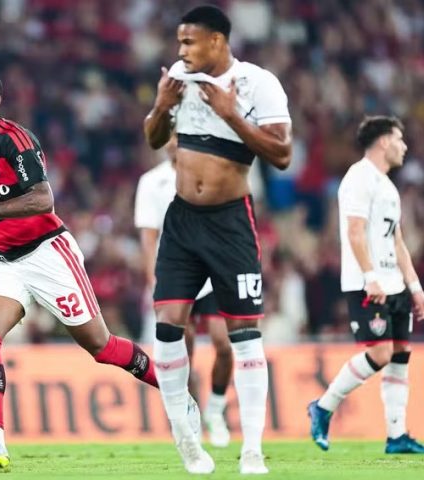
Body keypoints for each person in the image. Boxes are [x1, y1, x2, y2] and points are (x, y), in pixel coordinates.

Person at [0, 70, 192, 470]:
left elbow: (43, 199)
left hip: (49, 252)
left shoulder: (15, 139)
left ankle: (175, 390)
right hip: (7, 258)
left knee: (101, 346)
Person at [144, 5, 293, 474]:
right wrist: (161, 106)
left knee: (244, 334)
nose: (181, 51)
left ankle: (252, 448)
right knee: (167, 326)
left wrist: (231, 115)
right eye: (179, 42)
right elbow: (153, 140)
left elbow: (282, 154)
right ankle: (185, 438)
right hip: (182, 220)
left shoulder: (258, 83)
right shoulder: (179, 81)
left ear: (216, 41)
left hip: (230, 222)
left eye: (188, 42)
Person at [308, 116, 424, 455]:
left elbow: (397, 241)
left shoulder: (388, 186)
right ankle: (323, 406)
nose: (404, 146)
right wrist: (370, 277)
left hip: (394, 284)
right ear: (383, 141)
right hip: (369, 283)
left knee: (399, 356)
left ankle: (397, 436)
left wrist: (415, 287)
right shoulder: (358, 177)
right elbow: (354, 231)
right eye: (399, 139)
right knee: (380, 353)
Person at [135, 135, 232, 448]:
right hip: (175, 274)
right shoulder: (152, 182)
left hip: (212, 272)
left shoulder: (207, 172)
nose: (174, 143)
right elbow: (149, 237)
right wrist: (153, 279)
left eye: (179, 136)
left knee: (224, 343)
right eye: (170, 137)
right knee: (184, 348)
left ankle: (216, 408)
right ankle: (193, 415)